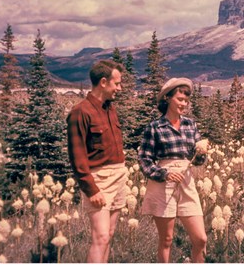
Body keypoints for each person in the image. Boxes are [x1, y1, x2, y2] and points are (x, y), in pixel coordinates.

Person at [138, 77, 208, 263]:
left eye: (186, 100)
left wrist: (201, 151)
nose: (184, 103)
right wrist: (165, 174)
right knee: (166, 240)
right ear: (167, 98)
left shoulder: (190, 125)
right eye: (180, 99)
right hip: (162, 184)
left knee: (200, 239)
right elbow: (144, 160)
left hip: (186, 181)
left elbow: (198, 160)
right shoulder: (154, 127)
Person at [67, 60, 128, 263]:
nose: (119, 88)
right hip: (99, 181)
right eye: (116, 83)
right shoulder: (80, 112)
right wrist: (91, 190)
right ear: (103, 82)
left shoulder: (110, 108)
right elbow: (77, 157)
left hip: (119, 177)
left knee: (109, 235)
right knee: (100, 237)